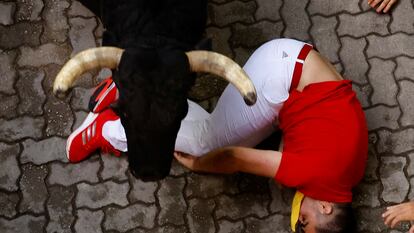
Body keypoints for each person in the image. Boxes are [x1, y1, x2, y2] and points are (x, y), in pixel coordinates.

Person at [67, 38, 368, 232]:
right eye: (307, 223)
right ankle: (109, 126)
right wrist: (200, 165)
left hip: (297, 63)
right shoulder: (311, 174)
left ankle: (130, 88)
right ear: (327, 207)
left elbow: (300, 139)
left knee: (234, 135)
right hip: (280, 74)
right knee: (207, 144)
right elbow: (233, 157)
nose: (299, 222)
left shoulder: (349, 178)